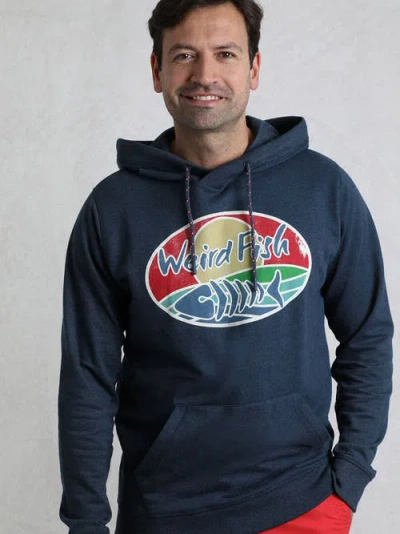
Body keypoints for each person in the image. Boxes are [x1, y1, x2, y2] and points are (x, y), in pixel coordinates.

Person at [57, 1, 394, 533]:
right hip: (163, 513)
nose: (205, 74)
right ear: (157, 71)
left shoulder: (322, 189)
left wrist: (348, 479)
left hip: (301, 503)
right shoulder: (112, 208)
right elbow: (87, 375)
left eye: (226, 54)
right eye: (184, 55)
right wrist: (84, 523)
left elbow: (368, 335)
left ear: (254, 68)